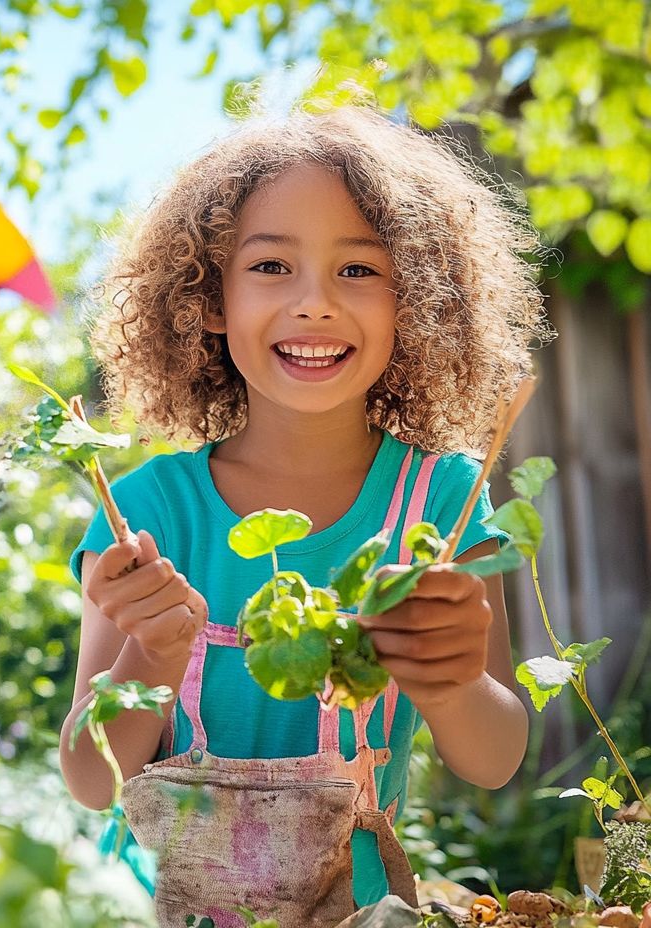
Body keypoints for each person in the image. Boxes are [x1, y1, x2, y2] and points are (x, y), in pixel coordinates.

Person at [60, 106, 550, 925]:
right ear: (209, 299)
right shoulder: (143, 508)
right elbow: (89, 778)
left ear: (416, 301)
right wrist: (149, 655)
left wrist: (457, 675)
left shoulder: (443, 501)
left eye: (358, 270)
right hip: (154, 908)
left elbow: (494, 759)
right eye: (272, 267)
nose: (315, 303)